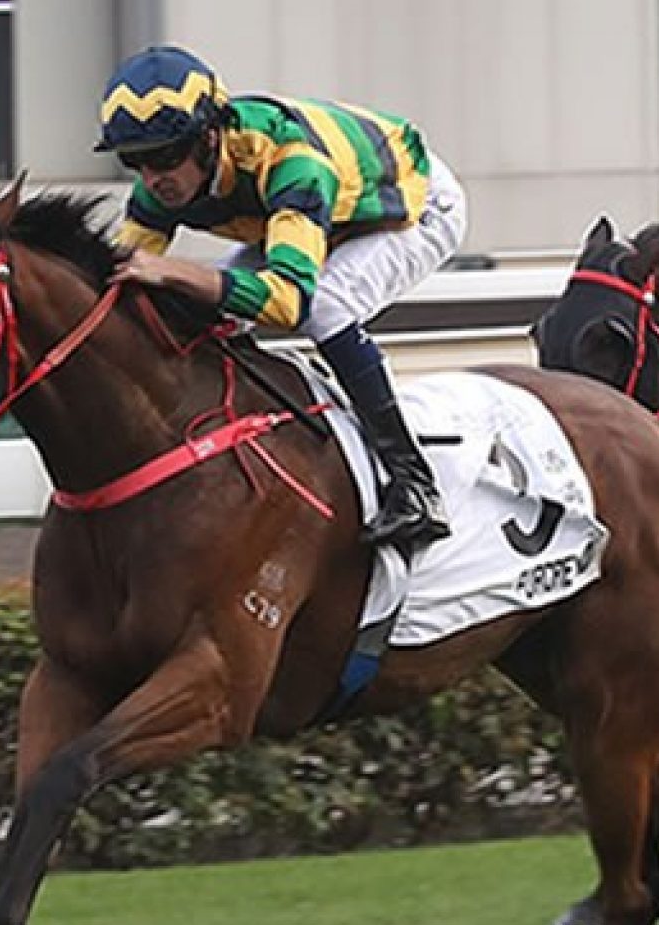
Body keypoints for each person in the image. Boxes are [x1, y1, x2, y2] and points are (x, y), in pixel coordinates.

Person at [97, 44, 464, 553]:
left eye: (164, 156)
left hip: (412, 207)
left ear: (209, 136)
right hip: (302, 214)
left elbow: (289, 303)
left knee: (325, 306)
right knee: (210, 309)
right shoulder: (159, 187)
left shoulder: (292, 161)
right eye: (133, 160)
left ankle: (415, 485)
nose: (152, 177)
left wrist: (178, 272)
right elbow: (116, 279)